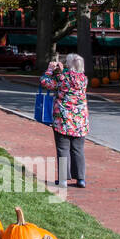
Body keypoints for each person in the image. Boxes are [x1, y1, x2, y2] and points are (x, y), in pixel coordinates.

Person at [40, 53, 89, 188]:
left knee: (63, 148)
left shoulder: (63, 78)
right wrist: (62, 71)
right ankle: (81, 179)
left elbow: (45, 82)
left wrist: (50, 69)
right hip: (80, 121)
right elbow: (71, 78)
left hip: (63, 119)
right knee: (78, 149)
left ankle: (63, 180)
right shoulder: (84, 79)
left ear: (69, 65)